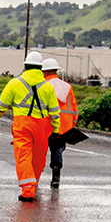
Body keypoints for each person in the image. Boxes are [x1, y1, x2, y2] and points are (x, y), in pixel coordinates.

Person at [0, 51, 63, 202]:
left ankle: (28, 190)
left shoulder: (15, 83)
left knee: (23, 156)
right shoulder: (48, 87)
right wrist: (56, 130)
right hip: (42, 126)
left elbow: (2, 104)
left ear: (25, 66)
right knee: (38, 158)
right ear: (40, 67)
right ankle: (32, 185)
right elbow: (55, 112)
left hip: (22, 124)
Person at [43, 57, 77, 188]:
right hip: (63, 128)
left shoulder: (42, 85)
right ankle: (56, 178)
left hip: (45, 125)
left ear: (44, 71)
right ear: (56, 71)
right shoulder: (67, 87)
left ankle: (34, 178)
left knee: (40, 151)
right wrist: (72, 125)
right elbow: (74, 109)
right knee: (57, 151)